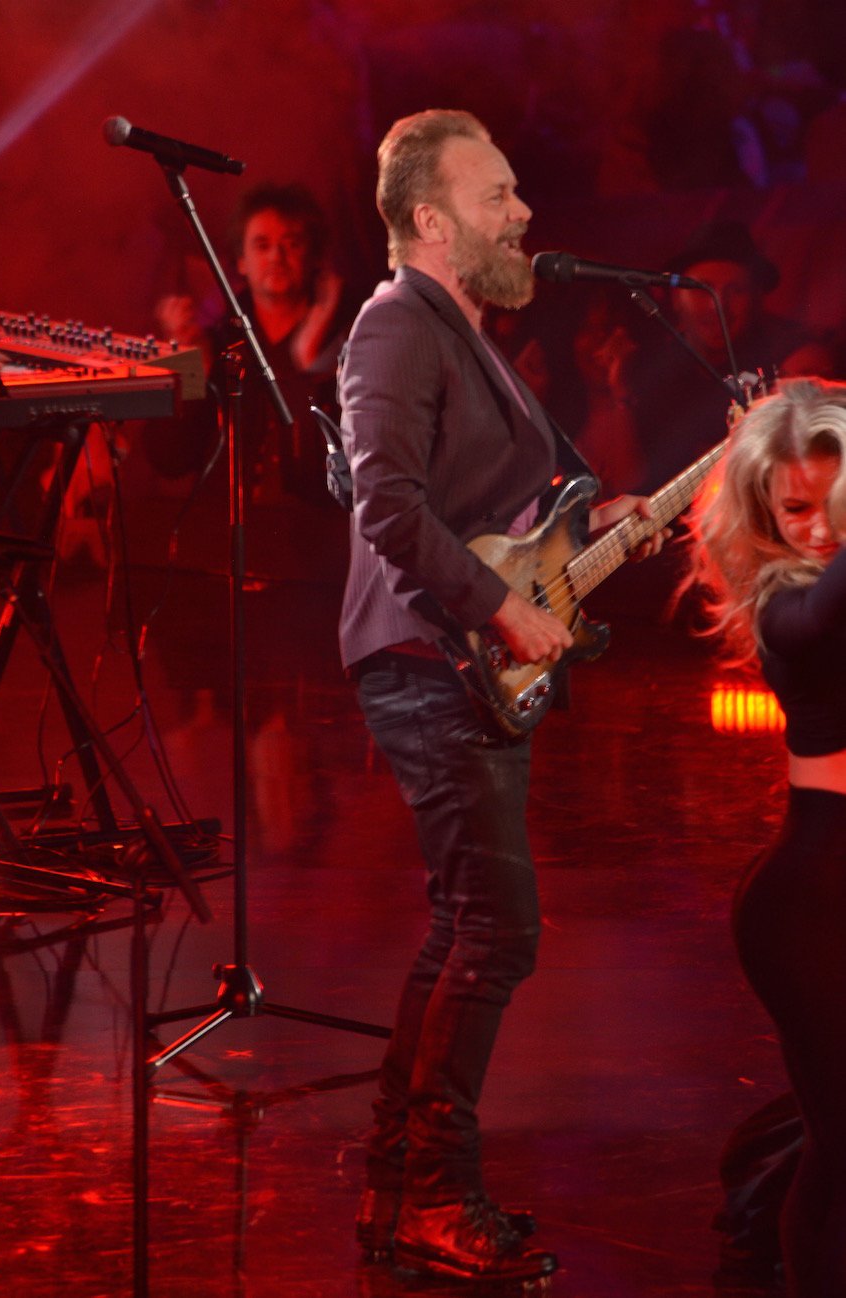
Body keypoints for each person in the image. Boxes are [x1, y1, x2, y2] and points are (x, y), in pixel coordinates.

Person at [338, 108, 668, 1285]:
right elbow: (385, 501)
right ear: (431, 220)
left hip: (453, 660)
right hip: (430, 656)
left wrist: (602, 518)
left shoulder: (463, 335)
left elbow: (503, 511)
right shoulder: (396, 324)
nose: (522, 213)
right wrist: (493, 608)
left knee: (464, 924)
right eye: (497, 195)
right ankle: (433, 1196)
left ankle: (398, 1187)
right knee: (496, 929)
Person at [685, 377, 846, 1297]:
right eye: (795, 510)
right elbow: (828, 613)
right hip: (813, 905)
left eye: (833, 504)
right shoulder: (789, 605)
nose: (818, 530)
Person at [144, 181, 353, 578]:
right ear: (240, 261)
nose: (277, 256)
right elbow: (169, 460)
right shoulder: (217, 341)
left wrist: (308, 363)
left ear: (313, 257)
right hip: (219, 558)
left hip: (315, 565)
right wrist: (189, 368)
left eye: (291, 243)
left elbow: (342, 477)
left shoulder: (348, 344)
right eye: (262, 245)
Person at [627, 220, 836, 493]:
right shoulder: (647, 368)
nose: (718, 305)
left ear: (756, 299)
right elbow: (628, 482)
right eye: (703, 289)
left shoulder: (788, 351)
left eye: (735, 290)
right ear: (676, 299)